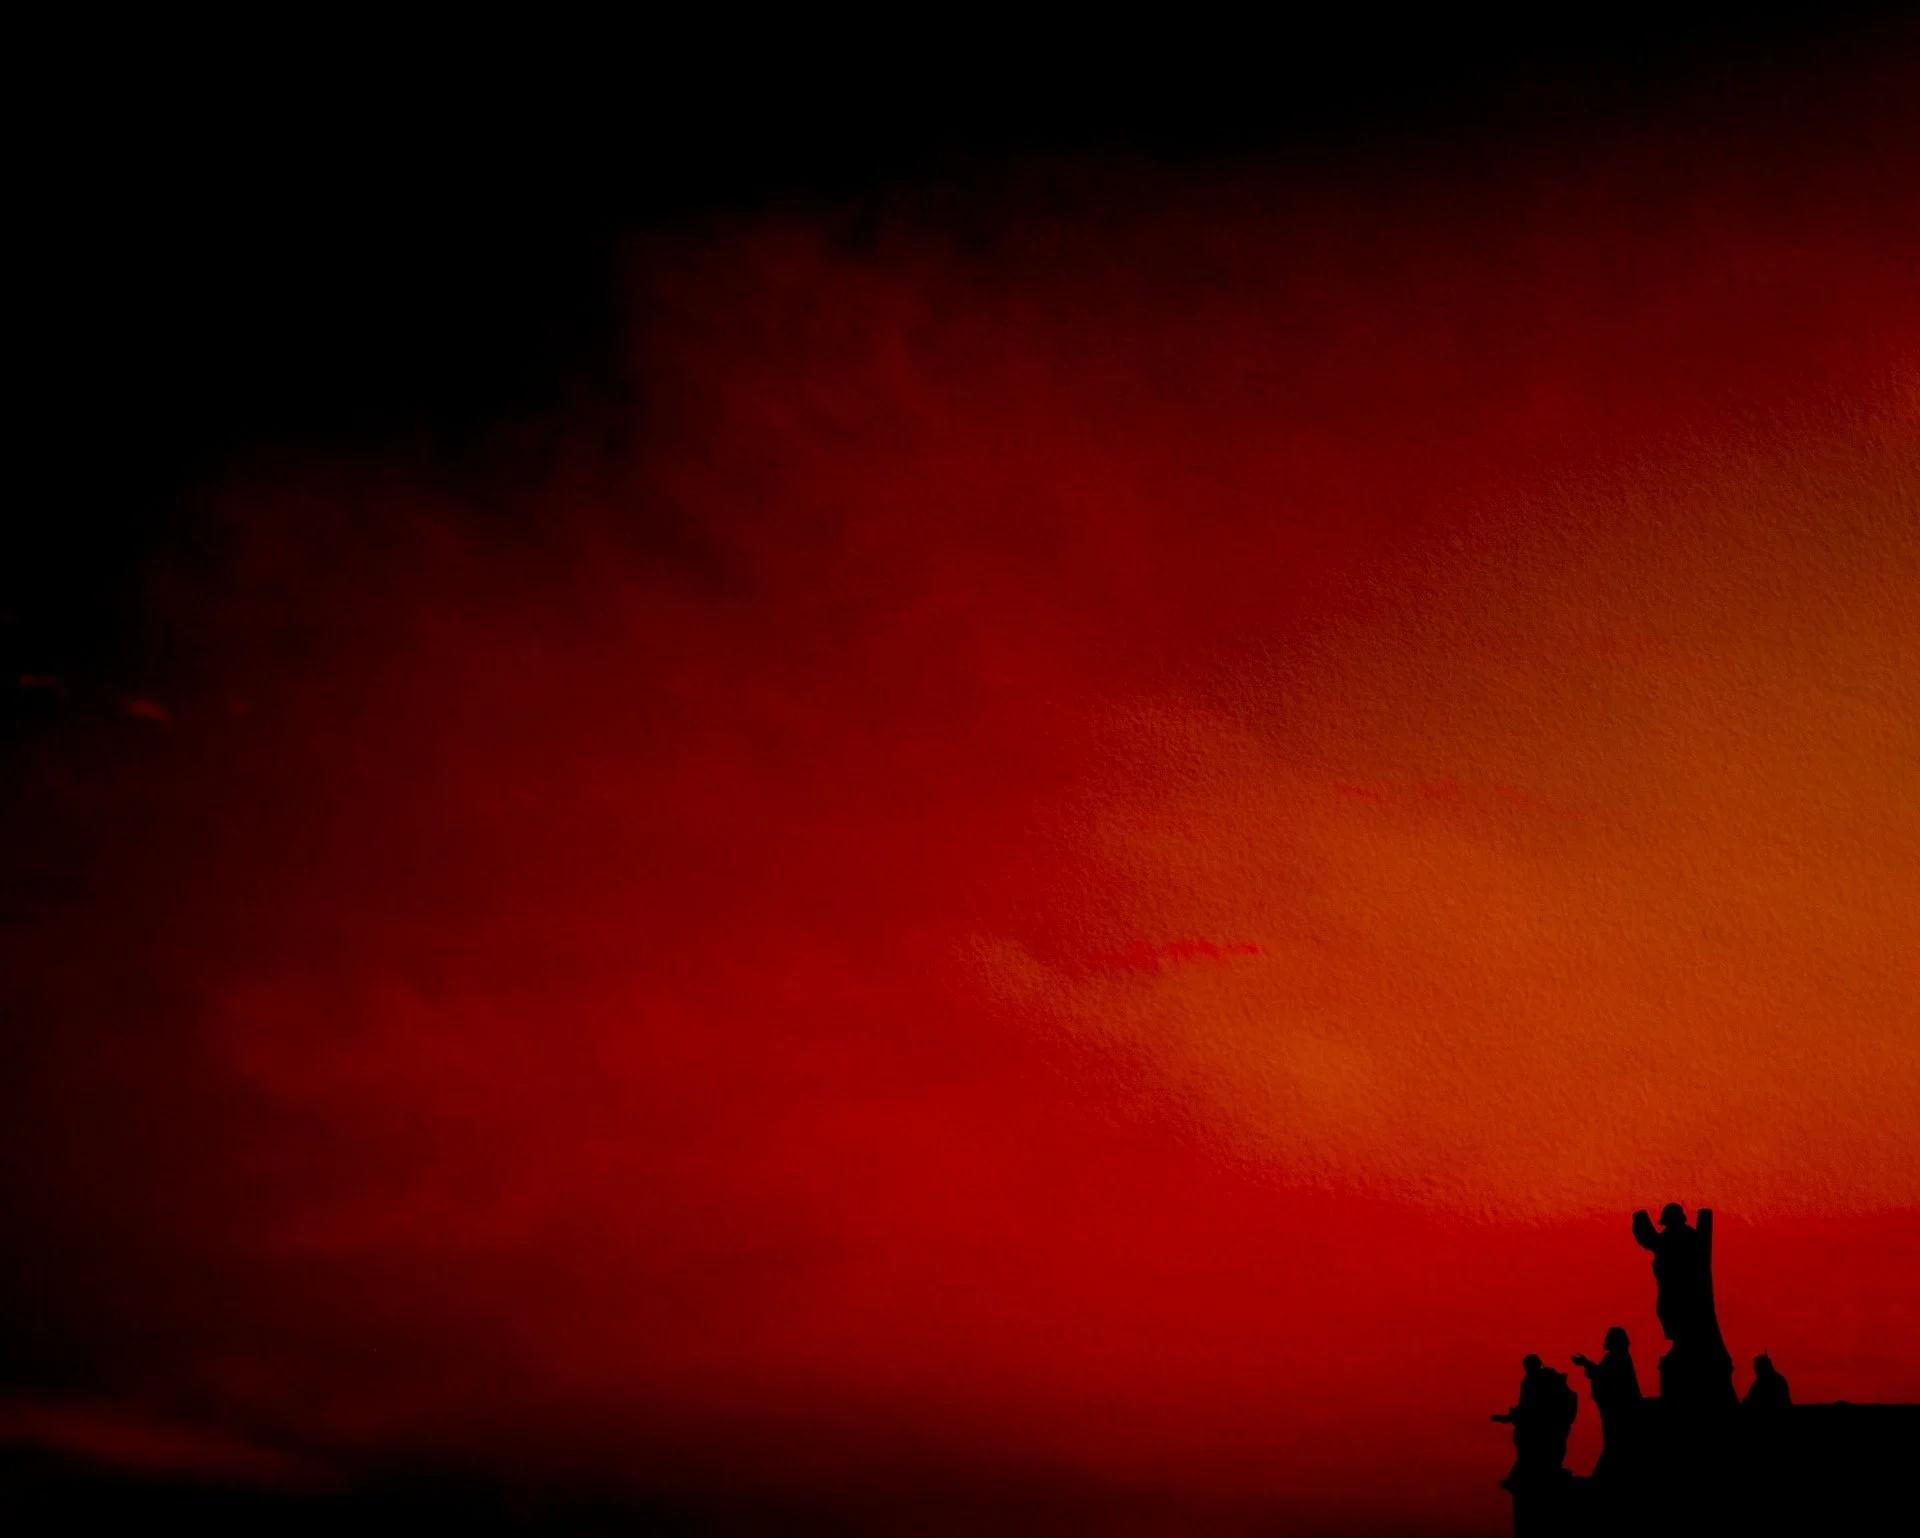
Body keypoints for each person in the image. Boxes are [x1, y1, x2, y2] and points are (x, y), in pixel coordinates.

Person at [1493, 1355, 1578, 1486]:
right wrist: (1511, 1416)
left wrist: (1513, 1416)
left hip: (1543, 1425)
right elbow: (1526, 1404)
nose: (1526, 1369)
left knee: (1535, 1453)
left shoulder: (1540, 1380)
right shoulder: (1531, 1381)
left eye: (1527, 1366)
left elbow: (1534, 1406)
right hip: (1537, 1424)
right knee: (1529, 1452)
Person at [1572, 1327, 1643, 1476]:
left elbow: (1606, 1377)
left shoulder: (1619, 1358)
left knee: (1616, 1443)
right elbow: (1601, 1374)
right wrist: (1586, 1363)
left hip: (1620, 1411)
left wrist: (1587, 1364)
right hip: (1614, 1410)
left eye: (1609, 1337)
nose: (1605, 1339)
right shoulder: (1616, 1357)